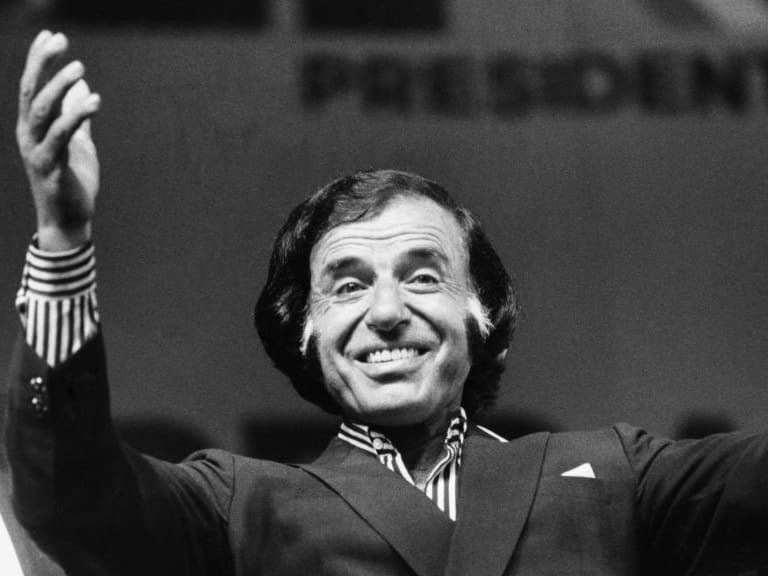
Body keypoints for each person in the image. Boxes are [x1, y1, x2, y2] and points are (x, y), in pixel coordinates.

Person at [5, 30, 768, 576]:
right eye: (346, 285)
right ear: (304, 330)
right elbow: (67, 489)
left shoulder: (615, 477)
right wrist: (63, 239)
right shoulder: (239, 505)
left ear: (481, 310)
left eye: (424, 276)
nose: (387, 310)